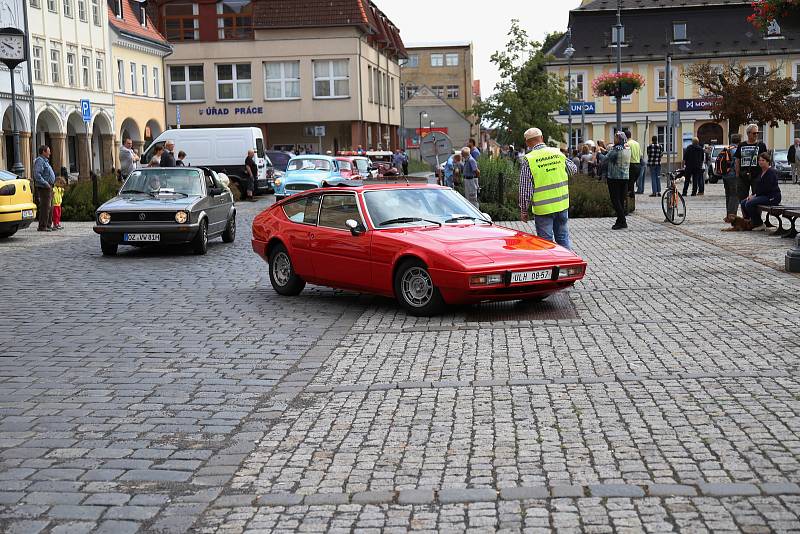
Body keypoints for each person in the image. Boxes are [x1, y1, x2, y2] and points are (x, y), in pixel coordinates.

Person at [518, 127, 576, 249]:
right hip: (561, 204)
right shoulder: (557, 152)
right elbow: (573, 170)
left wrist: (524, 210)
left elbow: (525, 189)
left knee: (546, 243)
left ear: (527, 142)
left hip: (543, 208)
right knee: (563, 238)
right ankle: (568, 265)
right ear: (542, 138)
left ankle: (552, 267)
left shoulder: (529, 159)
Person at [740, 152, 781, 231]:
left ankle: (759, 223)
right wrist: (752, 195)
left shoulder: (771, 172)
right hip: (763, 195)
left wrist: (755, 196)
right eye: (759, 160)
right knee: (743, 202)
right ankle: (749, 222)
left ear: (768, 161)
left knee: (749, 203)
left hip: (772, 197)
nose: (761, 162)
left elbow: (767, 188)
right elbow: (758, 188)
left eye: (763, 160)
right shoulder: (761, 172)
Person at [734, 124, 768, 205]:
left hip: (757, 174)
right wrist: (737, 174)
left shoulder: (761, 145)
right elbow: (737, 160)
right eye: (754, 133)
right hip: (743, 175)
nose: (756, 135)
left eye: (757, 133)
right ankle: (745, 216)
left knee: (757, 197)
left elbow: (766, 160)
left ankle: (756, 216)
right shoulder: (742, 145)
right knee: (742, 198)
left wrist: (765, 173)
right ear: (748, 133)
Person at [606, 131, 632, 230]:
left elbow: (605, 159)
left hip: (614, 177)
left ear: (619, 139)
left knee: (615, 200)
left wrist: (600, 153)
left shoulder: (615, 149)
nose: (614, 139)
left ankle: (623, 221)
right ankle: (619, 221)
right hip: (625, 177)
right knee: (621, 199)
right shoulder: (628, 148)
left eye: (615, 138)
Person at [717, 134, 741, 223]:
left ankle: (728, 215)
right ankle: (732, 216)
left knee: (728, 195)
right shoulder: (735, 150)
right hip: (732, 175)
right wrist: (738, 174)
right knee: (735, 195)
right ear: (739, 141)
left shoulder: (727, 148)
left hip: (725, 175)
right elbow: (735, 164)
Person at [33, 145, 56, 232]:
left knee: (50, 207)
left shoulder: (45, 161)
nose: (50, 152)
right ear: (43, 152)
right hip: (44, 187)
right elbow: (37, 174)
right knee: (45, 207)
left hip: (49, 186)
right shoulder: (40, 161)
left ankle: (48, 225)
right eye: (48, 151)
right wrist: (45, 183)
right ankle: (42, 226)